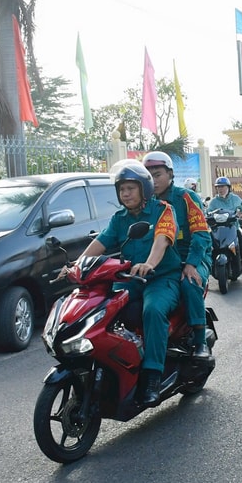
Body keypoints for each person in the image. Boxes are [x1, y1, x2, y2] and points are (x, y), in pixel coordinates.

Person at [70, 160, 182, 407]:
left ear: (144, 189)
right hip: (130, 280)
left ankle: (152, 375)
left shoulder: (163, 210)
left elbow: (162, 239)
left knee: (152, 310)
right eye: (122, 190)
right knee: (103, 309)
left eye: (131, 188)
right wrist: (76, 266)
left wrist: (150, 264)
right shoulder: (119, 219)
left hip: (161, 278)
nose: (126, 193)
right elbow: (99, 244)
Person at [142, 151, 215, 360]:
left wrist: (191, 264)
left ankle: (200, 341)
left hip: (194, 256)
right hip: (163, 261)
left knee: (189, 282)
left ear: (170, 174)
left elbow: (201, 235)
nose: (153, 181)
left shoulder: (186, 197)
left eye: (157, 175)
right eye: (148, 176)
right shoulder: (146, 202)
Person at [208, 176, 242, 287]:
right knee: (208, 248)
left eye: (223, 186)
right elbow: (208, 212)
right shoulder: (213, 202)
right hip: (217, 230)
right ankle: (206, 276)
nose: (221, 189)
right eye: (218, 187)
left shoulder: (235, 199)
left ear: (228, 187)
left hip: (233, 228)